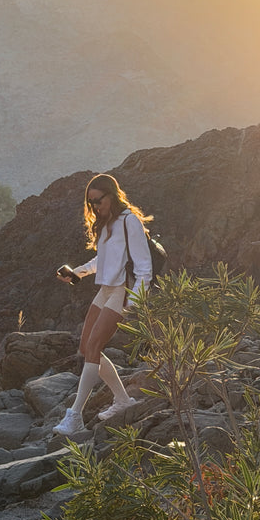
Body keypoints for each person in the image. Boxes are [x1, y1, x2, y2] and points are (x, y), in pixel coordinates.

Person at [53, 173, 153, 435]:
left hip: (122, 290)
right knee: (86, 348)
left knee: (95, 345)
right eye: (91, 202)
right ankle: (122, 400)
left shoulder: (129, 221)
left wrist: (134, 302)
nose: (95, 206)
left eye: (98, 200)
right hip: (105, 289)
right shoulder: (107, 223)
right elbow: (101, 260)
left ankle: (75, 416)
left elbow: (144, 267)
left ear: (112, 195)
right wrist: (77, 272)